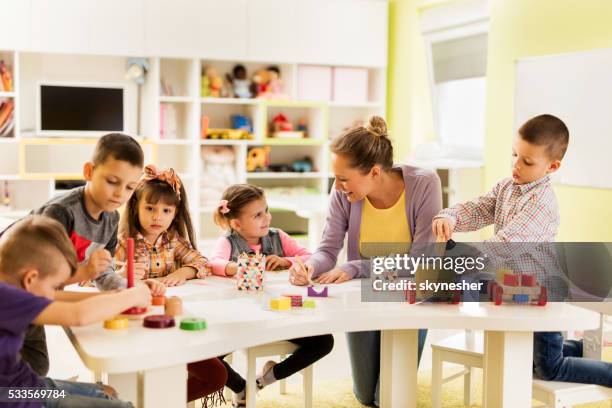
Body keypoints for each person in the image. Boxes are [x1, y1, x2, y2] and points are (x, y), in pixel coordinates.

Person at [433, 114, 612, 386]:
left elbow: (507, 244)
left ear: (552, 166)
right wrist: (451, 216)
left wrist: (464, 259)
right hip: (516, 291)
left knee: (550, 369)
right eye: (514, 154)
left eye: (527, 161)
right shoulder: (508, 186)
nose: (516, 164)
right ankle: (577, 348)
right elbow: (480, 208)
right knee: (528, 360)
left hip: (544, 296)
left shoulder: (542, 203)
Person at [289, 116, 443, 406]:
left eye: (343, 178)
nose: (337, 185)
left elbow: (421, 261)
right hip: (363, 295)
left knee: (389, 396)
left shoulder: (424, 184)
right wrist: (310, 265)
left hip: (409, 294)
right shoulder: (343, 193)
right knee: (365, 395)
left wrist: (356, 267)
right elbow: (328, 249)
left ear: (374, 172)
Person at [0, 215, 151, 407]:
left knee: (106, 392)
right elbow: (78, 315)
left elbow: (57, 299)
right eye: (54, 285)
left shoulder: (12, 288)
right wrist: (133, 295)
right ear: (30, 278)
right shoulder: (6, 296)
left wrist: (112, 297)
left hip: (25, 385)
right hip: (15, 398)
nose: (55, 291)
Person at [209, 183, 334, 407]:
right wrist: (234, 268)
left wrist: (286, 261)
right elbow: (213, 263)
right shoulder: (227, 242)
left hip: (280, 318)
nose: (267, 217)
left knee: (324, 342)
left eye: (266, 210)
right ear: (236, 223)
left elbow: (309, 255)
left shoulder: (278, 237)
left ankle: (266, 378)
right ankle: (240, 386)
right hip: (241, 323)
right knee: (208, 356)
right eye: (258, 215)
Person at [116, 164, 226, 406]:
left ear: (175, 213)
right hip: (136, 328)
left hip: (174, 324)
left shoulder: (172, 240)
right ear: (136, 208)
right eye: (150, 208)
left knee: (217, 371)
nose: (158, 217)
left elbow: (201, 262)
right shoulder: (123, 243)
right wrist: (123, 274)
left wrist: (183, 272)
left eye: (166, 210)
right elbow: (92, 278)